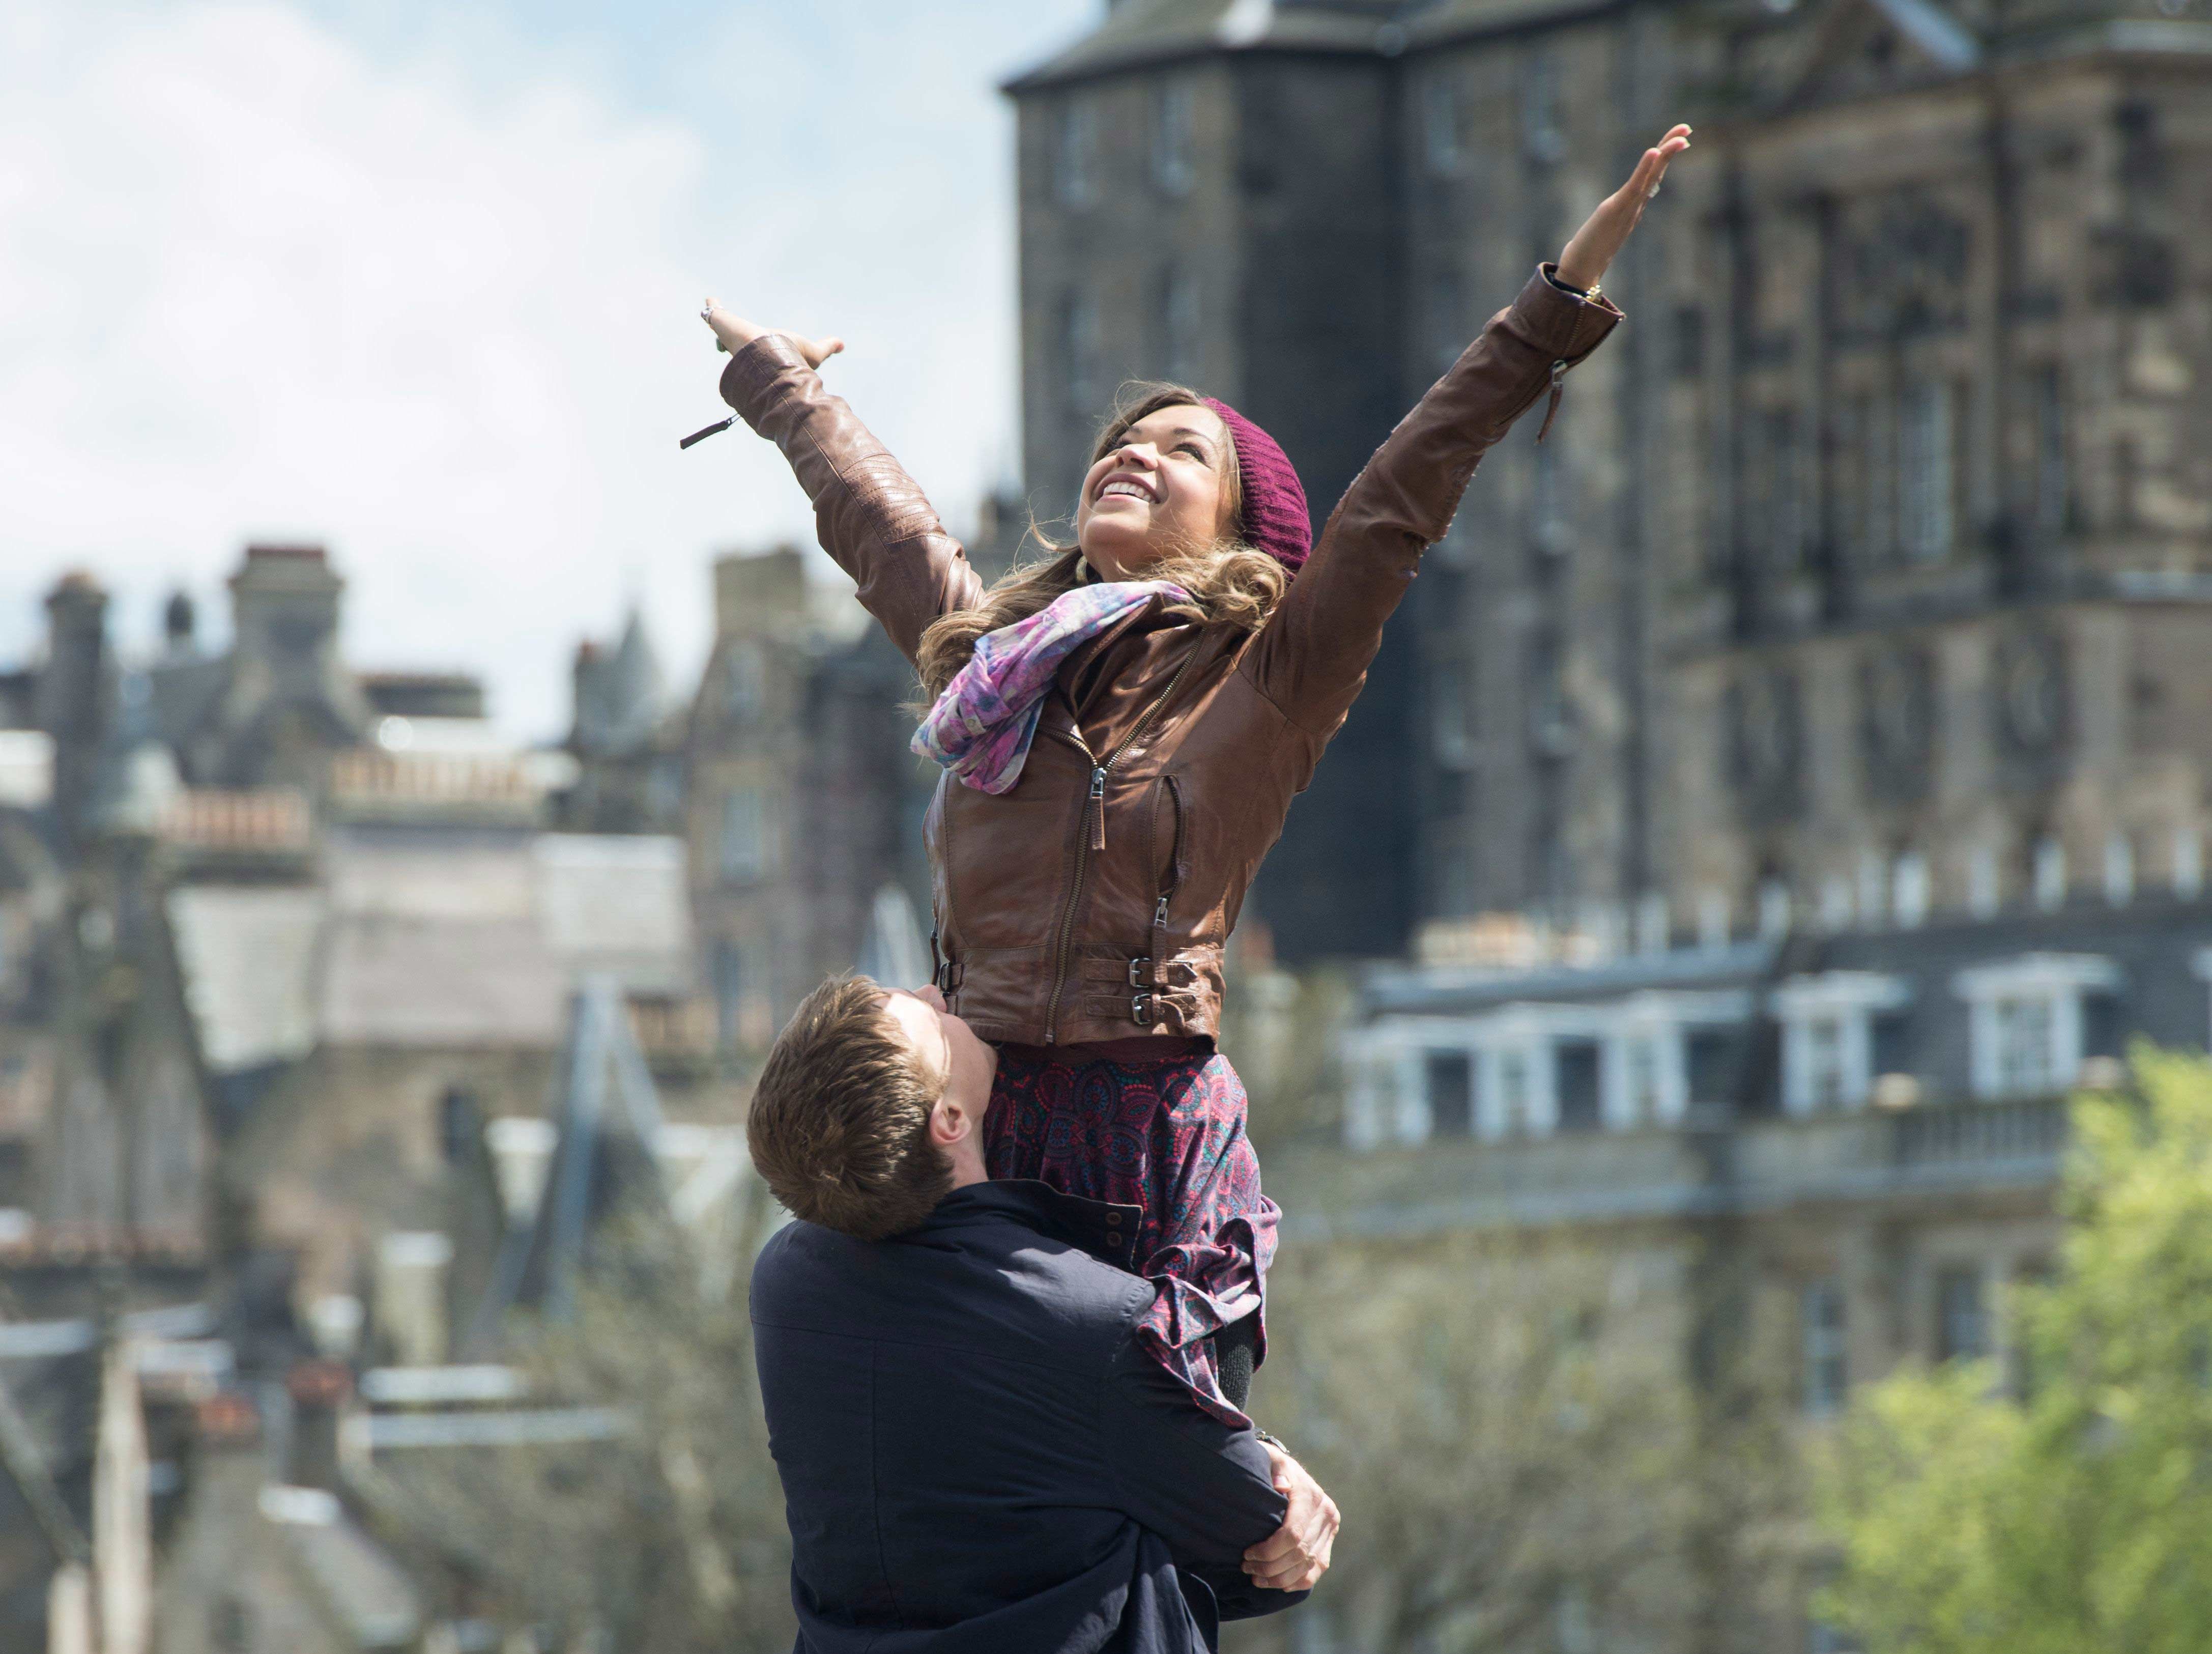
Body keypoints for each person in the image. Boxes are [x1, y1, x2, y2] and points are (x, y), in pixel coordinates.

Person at [701, 122, 1689, 1421]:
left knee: (1142, 1476)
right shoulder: (1000, 665)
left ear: (1237, 528)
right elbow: (884, 532)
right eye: (1125, 439)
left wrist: (1549, 310)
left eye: (1183, 452)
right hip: (972, 1127)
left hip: (1132, 1134)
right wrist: (784, 385)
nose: (1136, 452)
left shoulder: (1267, 675)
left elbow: (1404, 488)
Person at [745, 972, 1339, 1653]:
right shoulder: (1097, 1330)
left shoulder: (784, 1285)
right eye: (934, 1024)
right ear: (949, 1120)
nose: (940, 997)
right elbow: (1264, 1549)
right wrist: (1269, 1459)